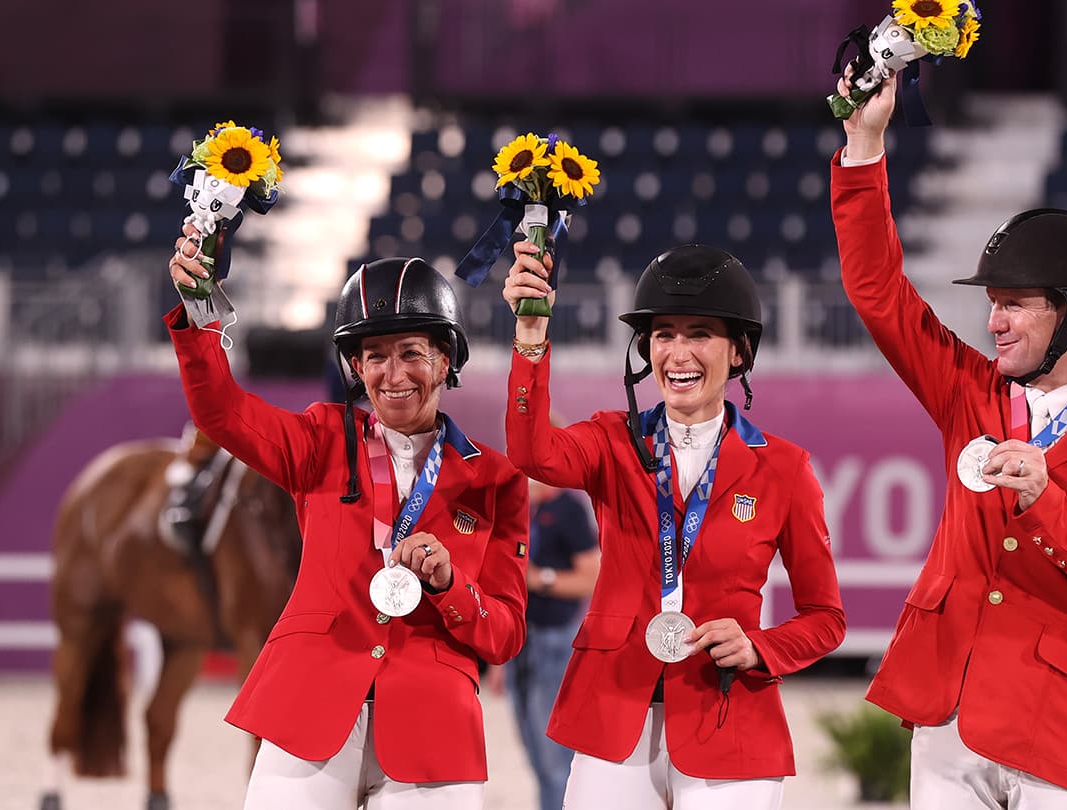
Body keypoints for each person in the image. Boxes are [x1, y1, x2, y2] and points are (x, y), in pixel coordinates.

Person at [830, 75, 1067, 809]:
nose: (994, 323)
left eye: (1015, 306)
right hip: (948, 721)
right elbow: (878, 291)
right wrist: (864, 144)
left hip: (1062, 732)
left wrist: (1047, 502)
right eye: (992, 305)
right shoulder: (968, 391)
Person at [167, 228, 529, 810]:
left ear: (445, 360)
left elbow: (505, 634)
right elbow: (221, 411)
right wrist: (198, 305)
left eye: (411, 352)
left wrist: (449, 585)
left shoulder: (494, 479)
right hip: (308, 705)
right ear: (355, 368)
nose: (393, 375)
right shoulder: (317, 440)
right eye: (374, 357)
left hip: (433, 723)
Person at [501, 240, 846, 810]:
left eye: (699, 334)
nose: (678, 353)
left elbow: (826, 618)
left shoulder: (784, 469)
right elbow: (531, 454)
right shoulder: (612, 441)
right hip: (614, 715)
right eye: (664, 335)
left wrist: (759, 646)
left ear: (738, 352)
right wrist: (531, 335)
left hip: (729, 716)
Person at [487, 474, 601, 810]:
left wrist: (540, 579)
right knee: (534, 753)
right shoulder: (524, 509)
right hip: (520, 640)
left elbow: (591, 578)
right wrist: (499, 661)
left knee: (555, 760)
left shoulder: (568, 510)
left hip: (555, 640)